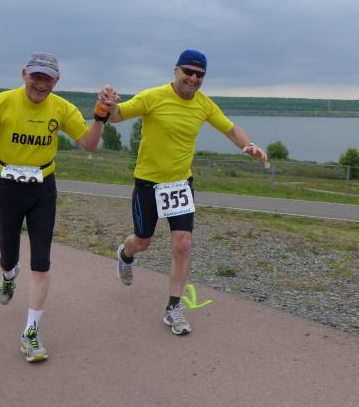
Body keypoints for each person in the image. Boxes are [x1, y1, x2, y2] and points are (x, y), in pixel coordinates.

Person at [0, 52, 115, 362]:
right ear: (24, 75)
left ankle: (30, 333)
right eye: (36, 77)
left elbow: (90, 144)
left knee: (41, 262)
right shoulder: (2, 103)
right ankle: (8, 275)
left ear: (57, 81)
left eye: (48, 79)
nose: (41, 84)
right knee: (8, 258)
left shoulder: (61, 108)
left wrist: (100, 116)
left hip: (43, 188)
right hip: (8, 187)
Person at [103, 49, 268, 335]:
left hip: (180, 185)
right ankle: (126, 254)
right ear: (176, 70)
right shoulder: (153, 96)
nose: (193, 78)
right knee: (143, 241)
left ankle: (174, 308)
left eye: (200, 75)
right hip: (148, 184)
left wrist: (248, 145)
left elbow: (230, 129)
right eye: (188, 72)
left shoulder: (204, 105)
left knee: (184, 244)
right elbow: (117, 116)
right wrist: (110, 105)